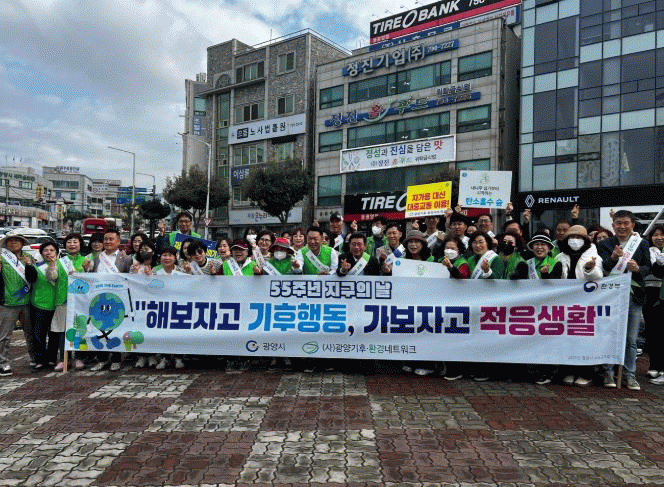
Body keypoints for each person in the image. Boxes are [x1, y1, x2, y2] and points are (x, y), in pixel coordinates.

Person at [597, 210, 651, 390]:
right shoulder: (605, 244)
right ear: (613, 225)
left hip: (634, 295)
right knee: (609, 334)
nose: (622, 226)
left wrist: (638, 269)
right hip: (610, 295)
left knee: (631, 338)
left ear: (632, 225)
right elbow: (602, 268)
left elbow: (648, 267)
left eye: (626, 223)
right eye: (618, 223)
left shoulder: (641, 243)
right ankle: (608, 372)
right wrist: (613, 258)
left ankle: (630, 374)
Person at [86, 228, 133, 372]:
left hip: (117, 300)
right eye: (105, 239)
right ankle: (102, 359)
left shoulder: (126, 259)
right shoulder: (96, 258)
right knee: (99, 329)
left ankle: (116, 359)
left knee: (115, 329)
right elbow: (91, 277)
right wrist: (86, 270)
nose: (107, 242)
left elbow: (131, 279)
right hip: (99, 299)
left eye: (111, 239)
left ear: (118, 242)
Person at [25, 242, 69, 371]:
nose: (48, 252)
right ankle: (39, 360)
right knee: (39, 335)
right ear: (41, 253)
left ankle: (51, 358)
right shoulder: (36, 266)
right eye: (45, 250)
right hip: (39, 304)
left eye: (52, 250)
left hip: (58, 305)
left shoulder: (63, 265)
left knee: (55, 334)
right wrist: (28, 265)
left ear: (57, 252)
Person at [0, 233, 35, 376]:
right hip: (7, 302)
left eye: (16, 241)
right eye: (10, 241)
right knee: (4, 336)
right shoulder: (2, 257)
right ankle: (2, 363)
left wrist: (29, 265)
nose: (13, 243)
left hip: (27, 302)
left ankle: (35, 358)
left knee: (31, 333)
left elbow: (34, 277)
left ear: (22, 243)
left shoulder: (29, 257)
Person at [54, 233, 87, 371]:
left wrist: (85, 270)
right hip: (63, 299)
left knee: (80, 329)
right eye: (69, 242)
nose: (72, 245)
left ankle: (79, 357)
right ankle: (63, 359)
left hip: (81, 301)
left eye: (75, 242)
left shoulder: (86, 260)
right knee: (63, 331)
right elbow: (53, 277)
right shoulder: (59, 261)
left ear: (80, 244)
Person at [644, 224, 664, 380]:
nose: (659, 238)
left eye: (662, 235)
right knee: (652, 331)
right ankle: (654, 365)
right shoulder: (647, 251)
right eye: (656, 235)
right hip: (650, 293)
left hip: (663, 294)